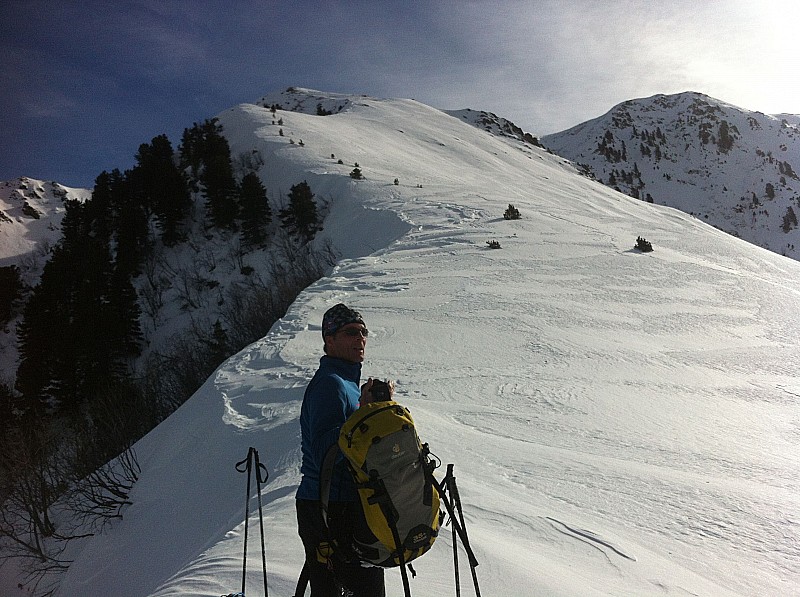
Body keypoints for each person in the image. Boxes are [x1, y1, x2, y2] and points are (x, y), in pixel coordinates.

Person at [296, 303, 387, 597]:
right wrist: (364, 413)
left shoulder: (347, 382)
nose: (360, 338)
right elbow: (324, 450)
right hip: (328, 507)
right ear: (329, 339)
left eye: (363, 332)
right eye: (350, 332)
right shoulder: (330, 384)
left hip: (342, 505)